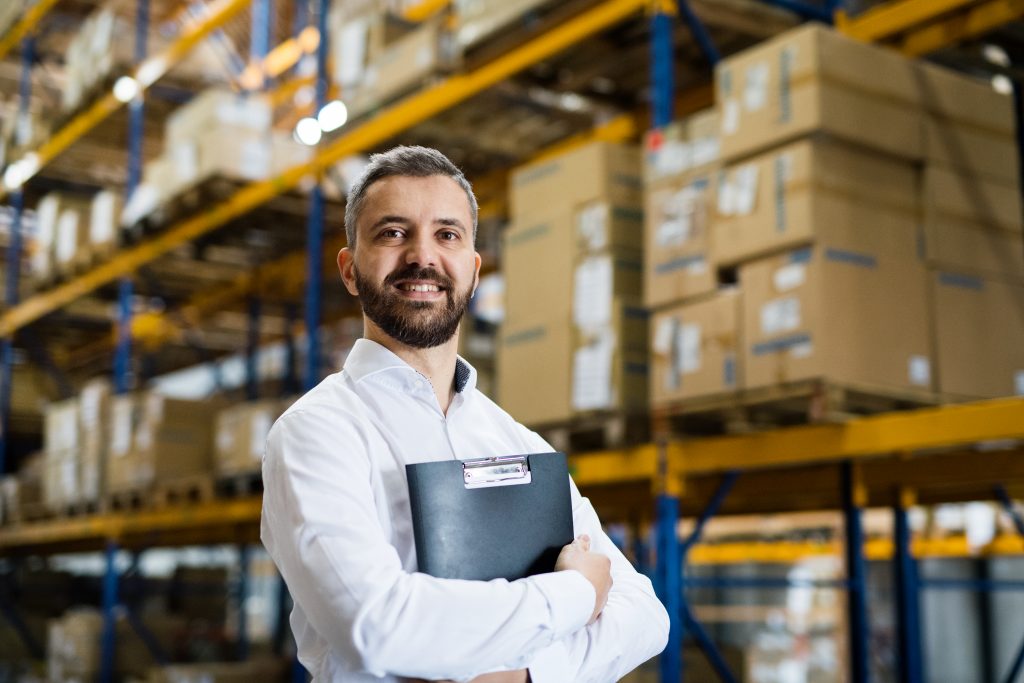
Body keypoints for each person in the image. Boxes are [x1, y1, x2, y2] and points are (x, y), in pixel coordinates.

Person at [261, 146, 669, 683]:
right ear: (349, 269)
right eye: (392, 232)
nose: (421, 257)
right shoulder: (317, 433)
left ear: (474, 271)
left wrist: (529, 676)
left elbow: (644, 614)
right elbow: (376, 626)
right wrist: (573, 594)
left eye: (447, 235)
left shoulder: (518, 441)